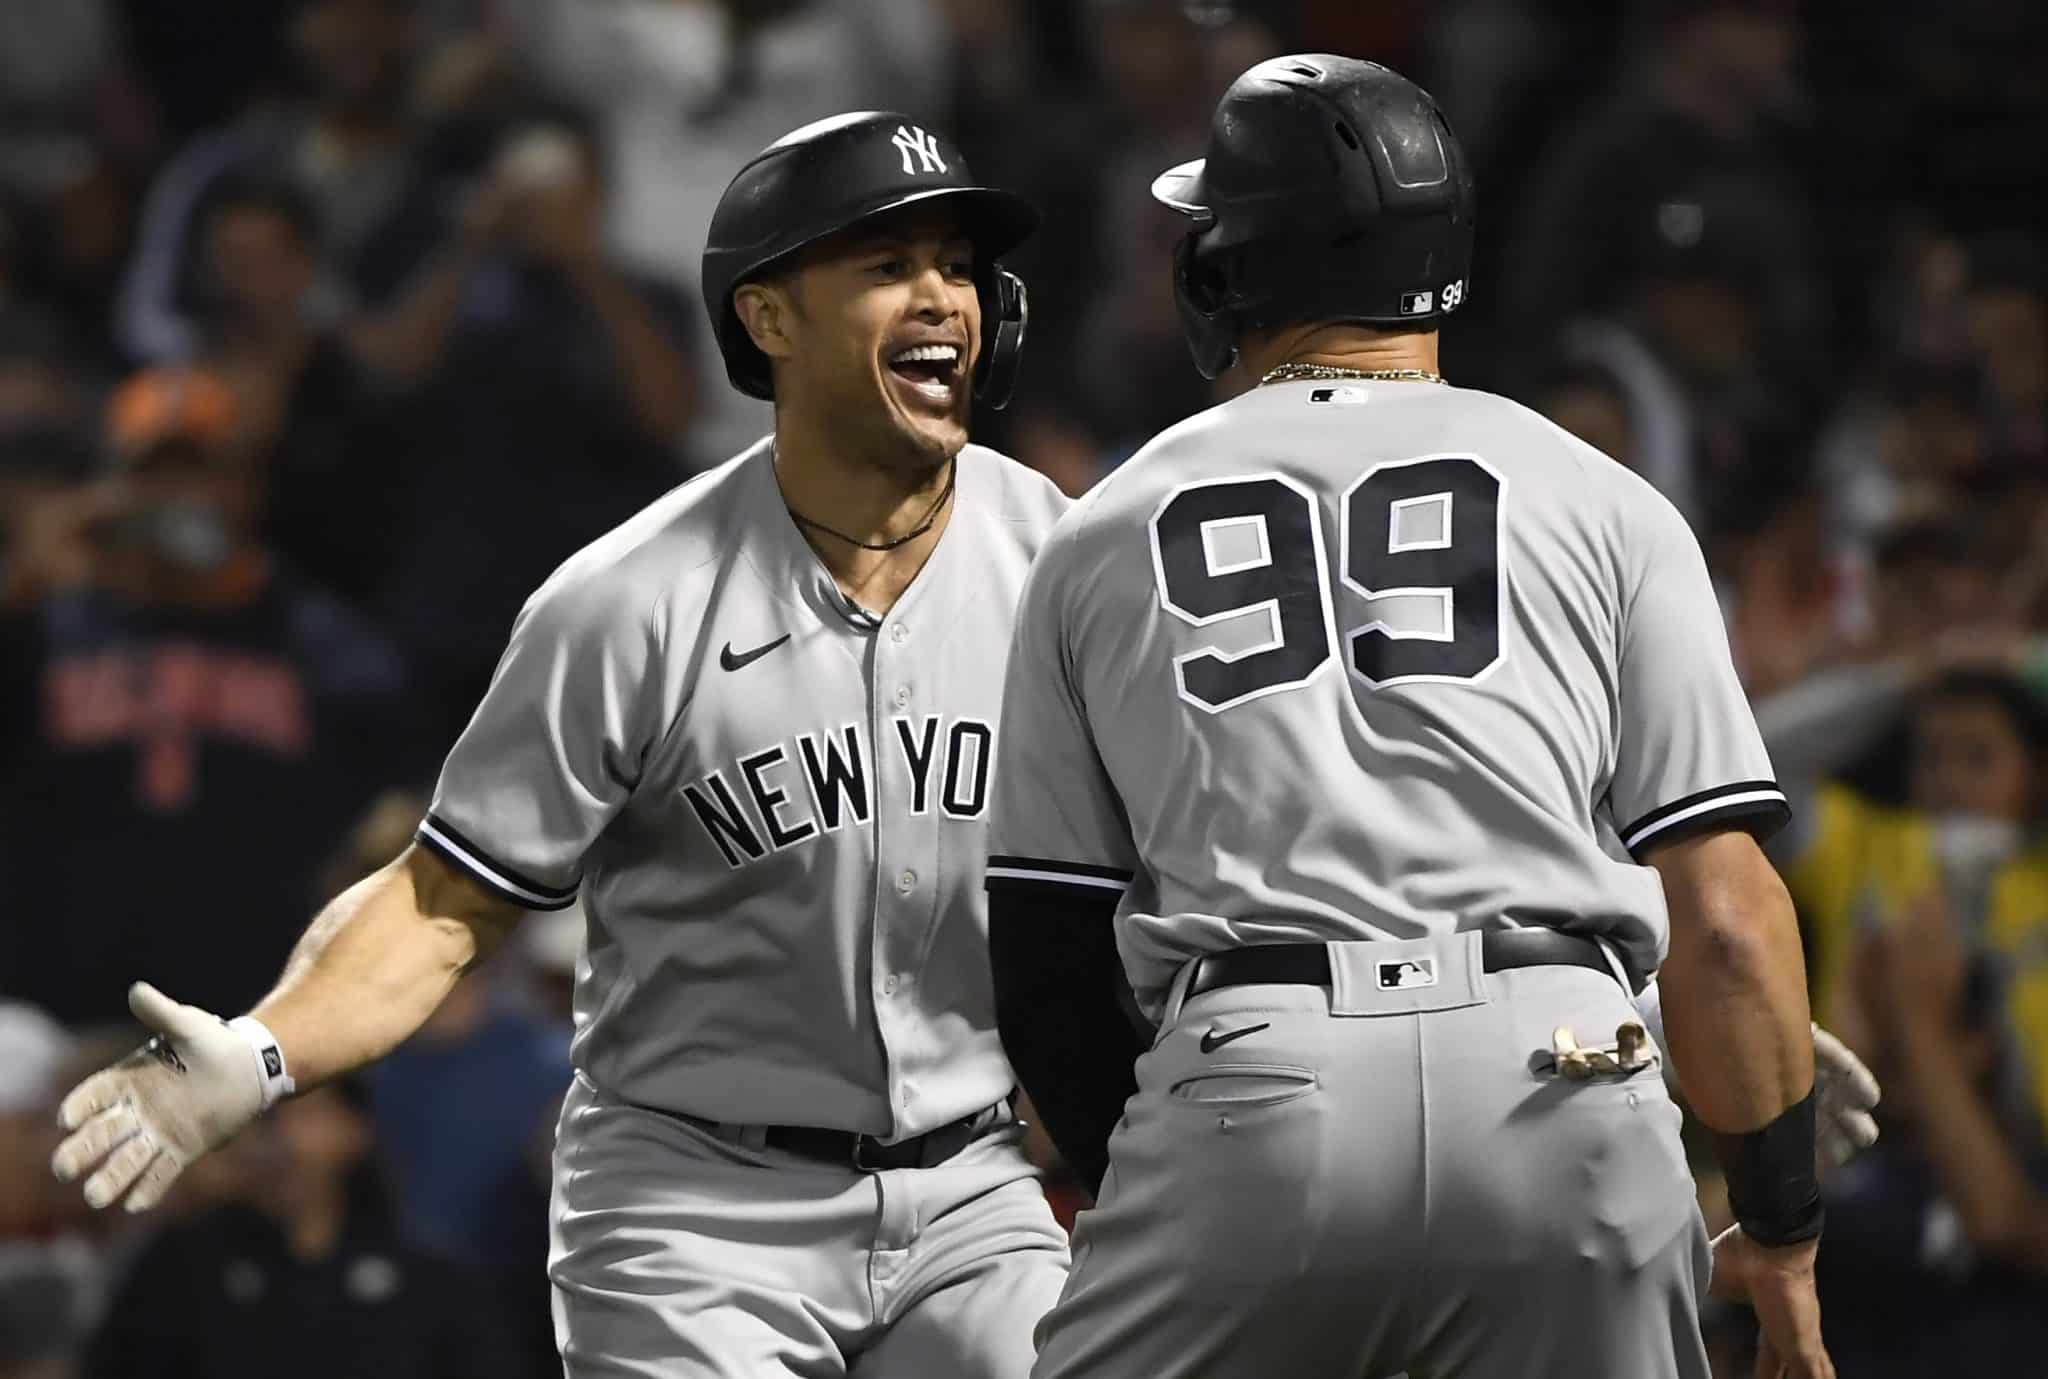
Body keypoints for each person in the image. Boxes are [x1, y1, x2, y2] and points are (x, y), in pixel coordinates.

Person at [49, 112, 1072, 1377]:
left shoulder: (1061, 563)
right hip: (698, 1208)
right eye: (886, 264)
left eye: (958, 265)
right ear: (769, 319)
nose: (943, 297)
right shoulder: (628, 600)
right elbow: (442, 899)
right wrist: (264, 1052)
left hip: (969, 1192)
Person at [984, 56, 1840, 1379]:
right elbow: (1727, 922)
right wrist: (1778, 1233)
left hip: (1257, 1083)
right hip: (1568, 1072)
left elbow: (1045, 961)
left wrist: (1161, 1188)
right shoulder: (1604, 498)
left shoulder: (1102, 531)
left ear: (1226, 271)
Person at [80, 1079, 528, 1379]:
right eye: (262, 1120)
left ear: (356, 1130)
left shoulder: (428, 1278)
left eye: (307, 1117)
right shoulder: (179, 1268)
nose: (283, 1141)